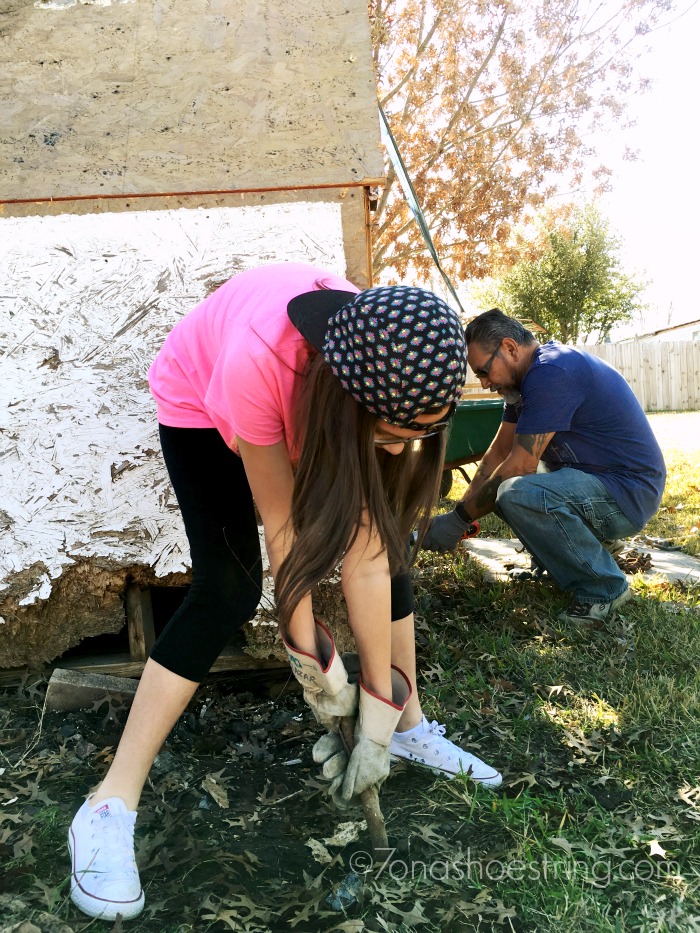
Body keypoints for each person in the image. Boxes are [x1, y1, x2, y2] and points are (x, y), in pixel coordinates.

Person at [67, 263, 502, 921]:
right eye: (396, 435)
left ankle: (410, 729)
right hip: (201, 394)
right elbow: (285, 528)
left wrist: (377, 711)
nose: (407, 448)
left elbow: (365, 552)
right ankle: (108, 801)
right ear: (355, 404)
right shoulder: (257, 363)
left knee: (389, 549)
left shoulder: (404, 359)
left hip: (327, 400)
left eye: (422, 433)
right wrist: (310, 658)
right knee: (229, 588)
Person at [422, 309, 666, 623]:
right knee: (503, 485)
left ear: (510, 348)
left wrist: (457, 521)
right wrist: (459, 515)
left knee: (516, 491)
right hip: (596, 483)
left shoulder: (552, 371)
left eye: (484, 371)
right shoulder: (523, 385)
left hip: (628, 492)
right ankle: (581, 553)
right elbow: (498, 455)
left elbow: (519, 465)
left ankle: (603, 588)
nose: (484, 384)